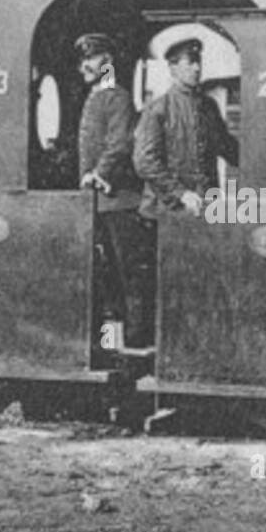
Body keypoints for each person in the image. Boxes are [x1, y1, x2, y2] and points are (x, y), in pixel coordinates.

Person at [74, 33, 155, 347]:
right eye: (83, 60)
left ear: (107, 60)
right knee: (110, 274)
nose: (85, 66)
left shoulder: (117, 97)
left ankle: (136, 339)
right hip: (101, 202)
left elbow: (119, 143)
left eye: (90, 58)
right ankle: (117, 339)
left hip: (119, 200)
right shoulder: (96, 96)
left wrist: (98, 173)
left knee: (129, 272)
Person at [133, 36, 238, 220]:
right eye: (190, 62)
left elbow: (227, 147)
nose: (197, 68)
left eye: (198, 62)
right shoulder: (159, 108)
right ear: (173, 68)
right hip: (167, 211)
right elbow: (145, 162)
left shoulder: (208, 107)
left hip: (205, 208)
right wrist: (181, 193)